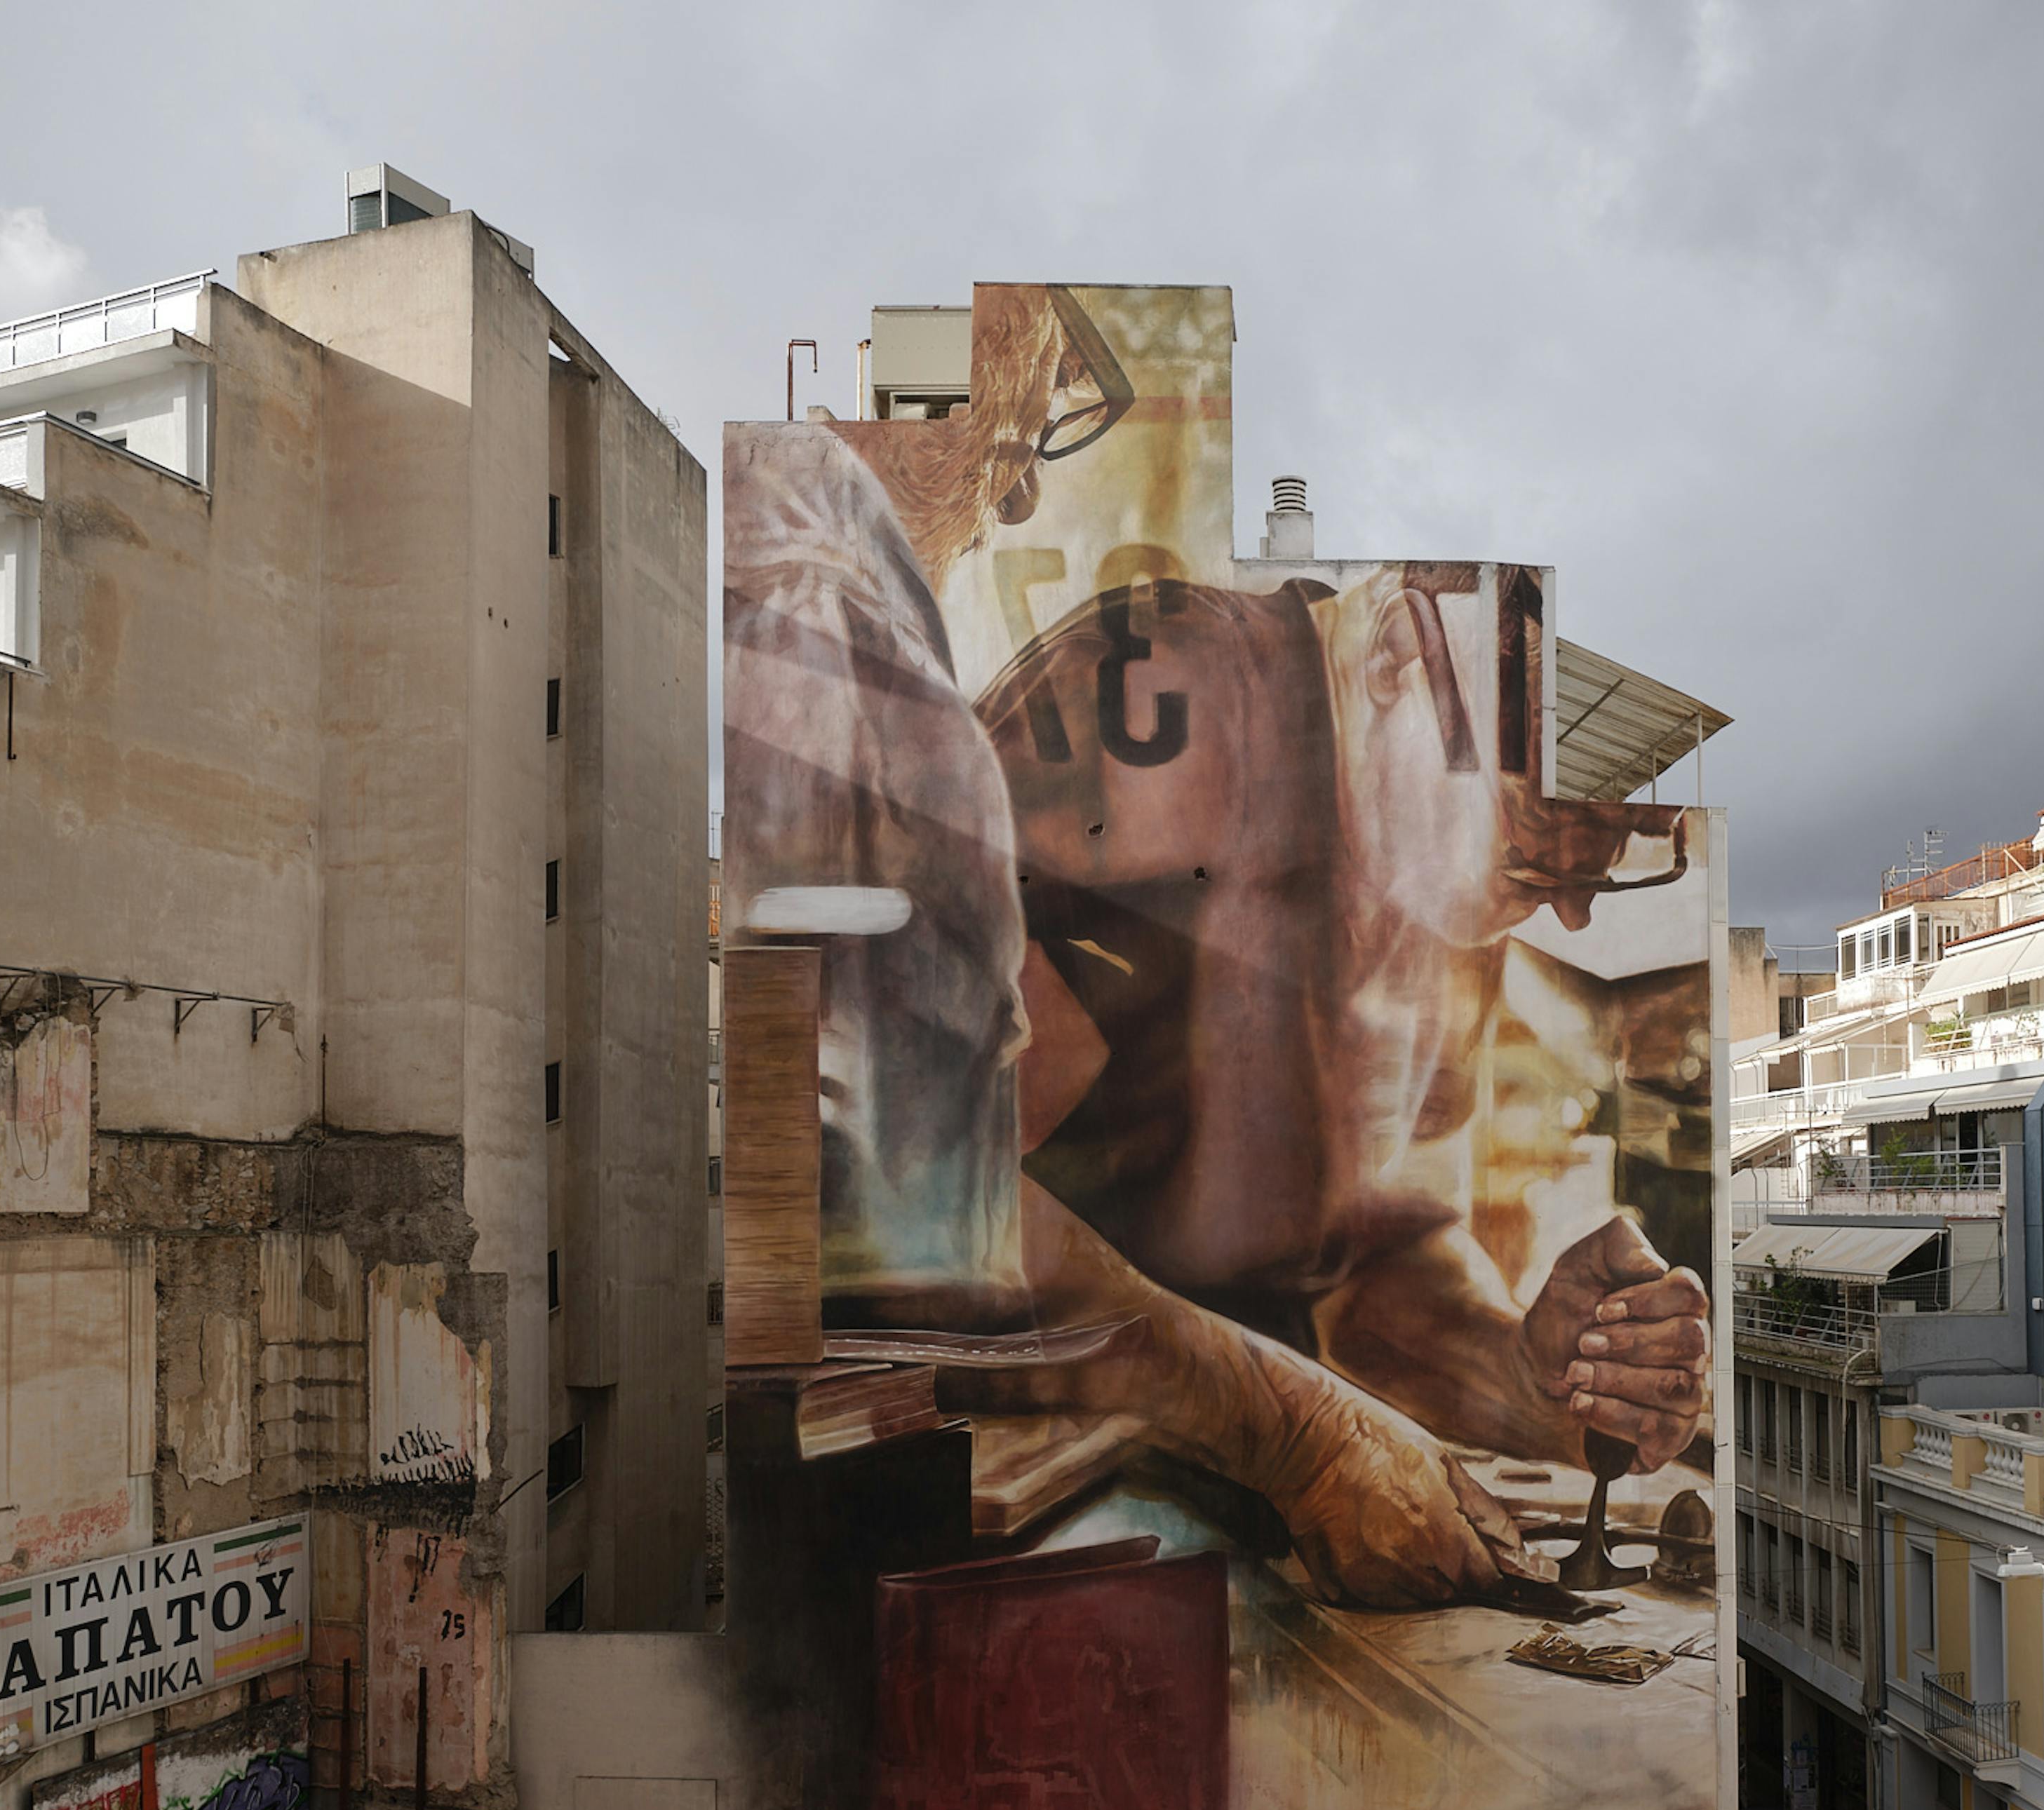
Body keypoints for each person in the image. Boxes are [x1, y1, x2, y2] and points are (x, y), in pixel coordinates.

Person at [725, 389, 1712, 1618]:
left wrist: (1528, 1375)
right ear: (1396, 659)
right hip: (994, 1541)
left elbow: (1363, 1259)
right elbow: (907, 1192)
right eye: (1531, 848)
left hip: (1228, 1545)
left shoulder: (1448, 884)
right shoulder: (1165, 709)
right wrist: (1296, 1434)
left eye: (1597, 872)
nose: (1565, 914)